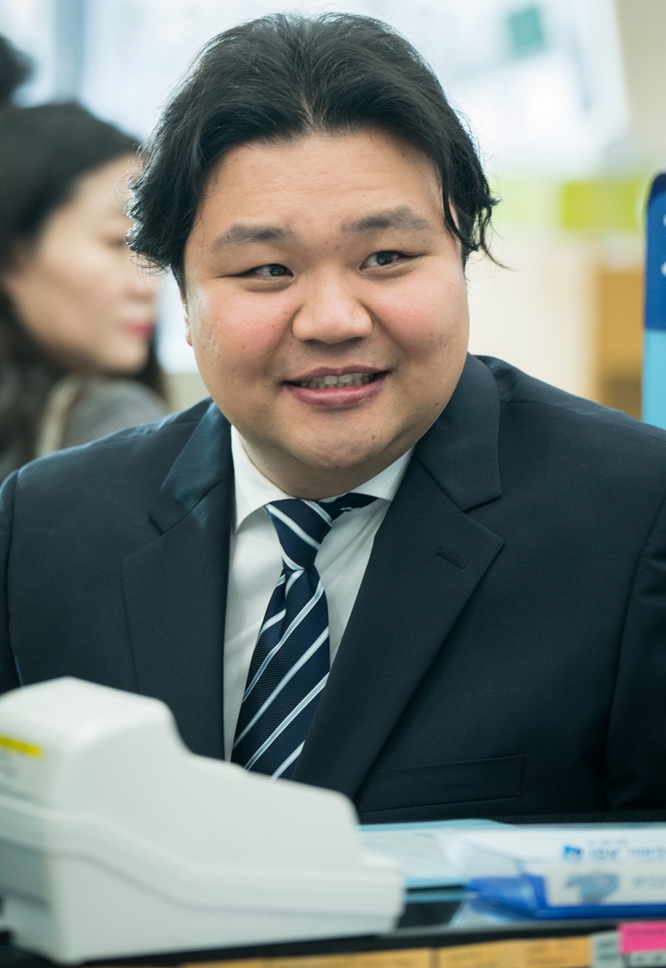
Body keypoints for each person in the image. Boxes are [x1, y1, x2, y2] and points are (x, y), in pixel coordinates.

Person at [1, 12, 666, 823]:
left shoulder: (635, 515)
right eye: (267, 269)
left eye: (386, 258)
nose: (332, 320)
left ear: (462, 252)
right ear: (181, 295)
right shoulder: (44, 530)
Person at [0, 36, 167, 481]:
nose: (148, 285)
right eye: (116, 242)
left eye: (150, 249)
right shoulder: (116, 428)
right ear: (14, 258)